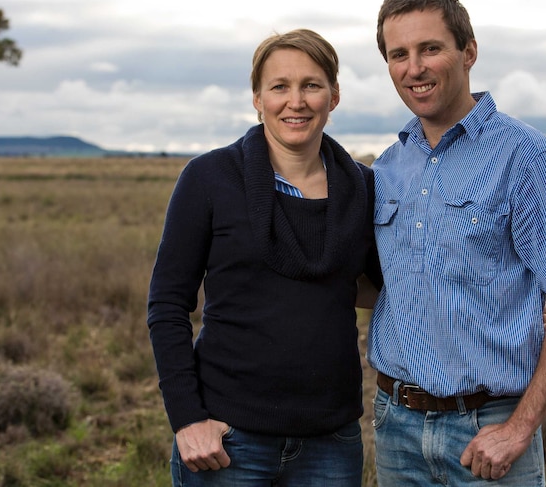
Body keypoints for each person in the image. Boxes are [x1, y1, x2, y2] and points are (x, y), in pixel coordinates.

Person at [367, 0, 546, 486]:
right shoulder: (388, 168)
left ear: (468, 52)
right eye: (398, 54)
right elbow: (378, 286)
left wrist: (519, 429)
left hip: (487, 430)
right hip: (396, 427)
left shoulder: (526, 158)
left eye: (430, 48)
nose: (415, 68)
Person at [147, 28, 381, 487]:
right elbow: (168, 304)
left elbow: (391, 285)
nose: (296, 101)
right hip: (228, 440)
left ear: (333, 96)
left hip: (329, 441)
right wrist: (187, 418)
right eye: (279, 87)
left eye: (312, 85)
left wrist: (513, 299)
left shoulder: (363, 188)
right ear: (257, 97)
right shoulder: (209, 178)